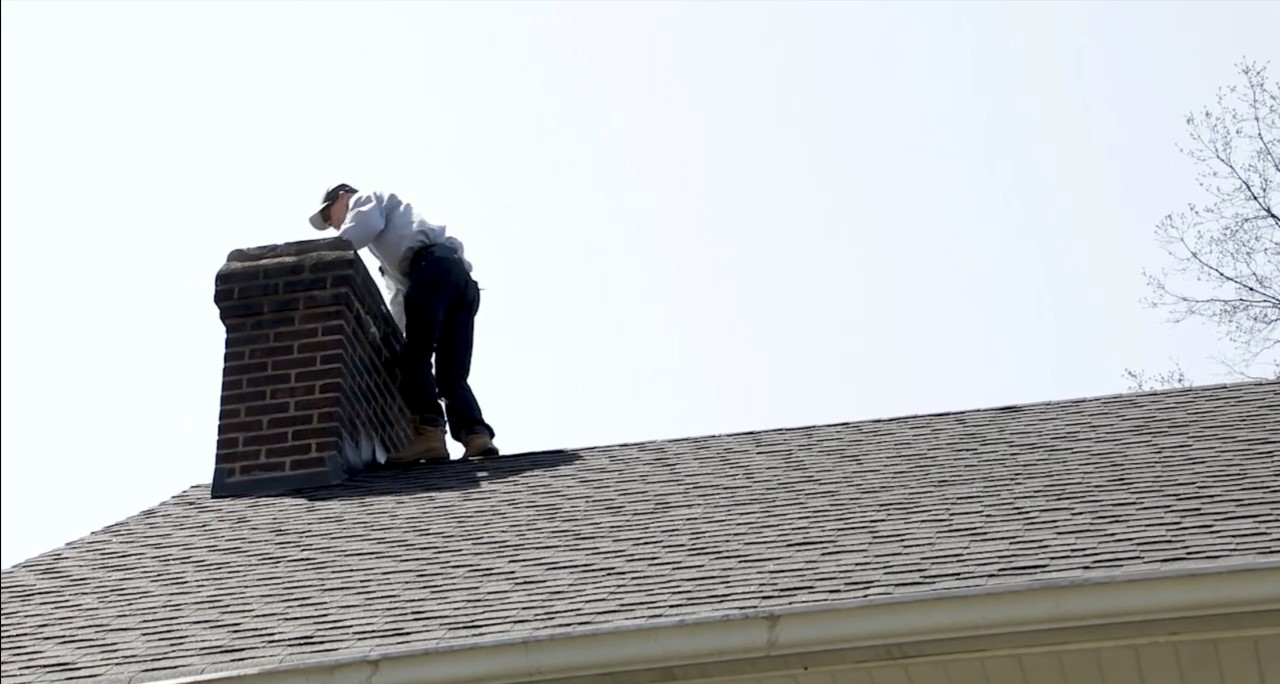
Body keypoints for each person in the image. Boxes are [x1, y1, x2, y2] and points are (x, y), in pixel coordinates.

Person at [308, 183, 499, 463]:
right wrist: (395, 339)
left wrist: (323, 257)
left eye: (328, 216)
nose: (332, 226)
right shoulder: (394, 246)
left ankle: (430, 434)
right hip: (458, 281)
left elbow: (359, 230)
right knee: (451, 375)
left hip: (431, 270)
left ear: (343, 197)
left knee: (415, 359)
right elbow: (399, 298)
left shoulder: (366, 200)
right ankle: (476, 435)